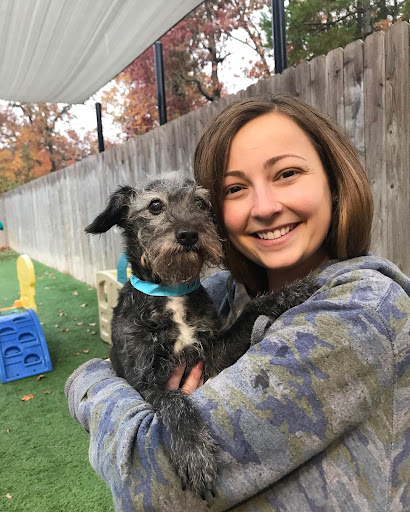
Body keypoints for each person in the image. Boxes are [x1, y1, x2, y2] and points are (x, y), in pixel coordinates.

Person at [65, 94, 410, 512]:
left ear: (335, 182)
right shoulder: (224, 291)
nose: (265, 207)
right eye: (234, 188)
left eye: (287, 173)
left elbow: (147, 481)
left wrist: (88, 383)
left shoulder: (363, 312)